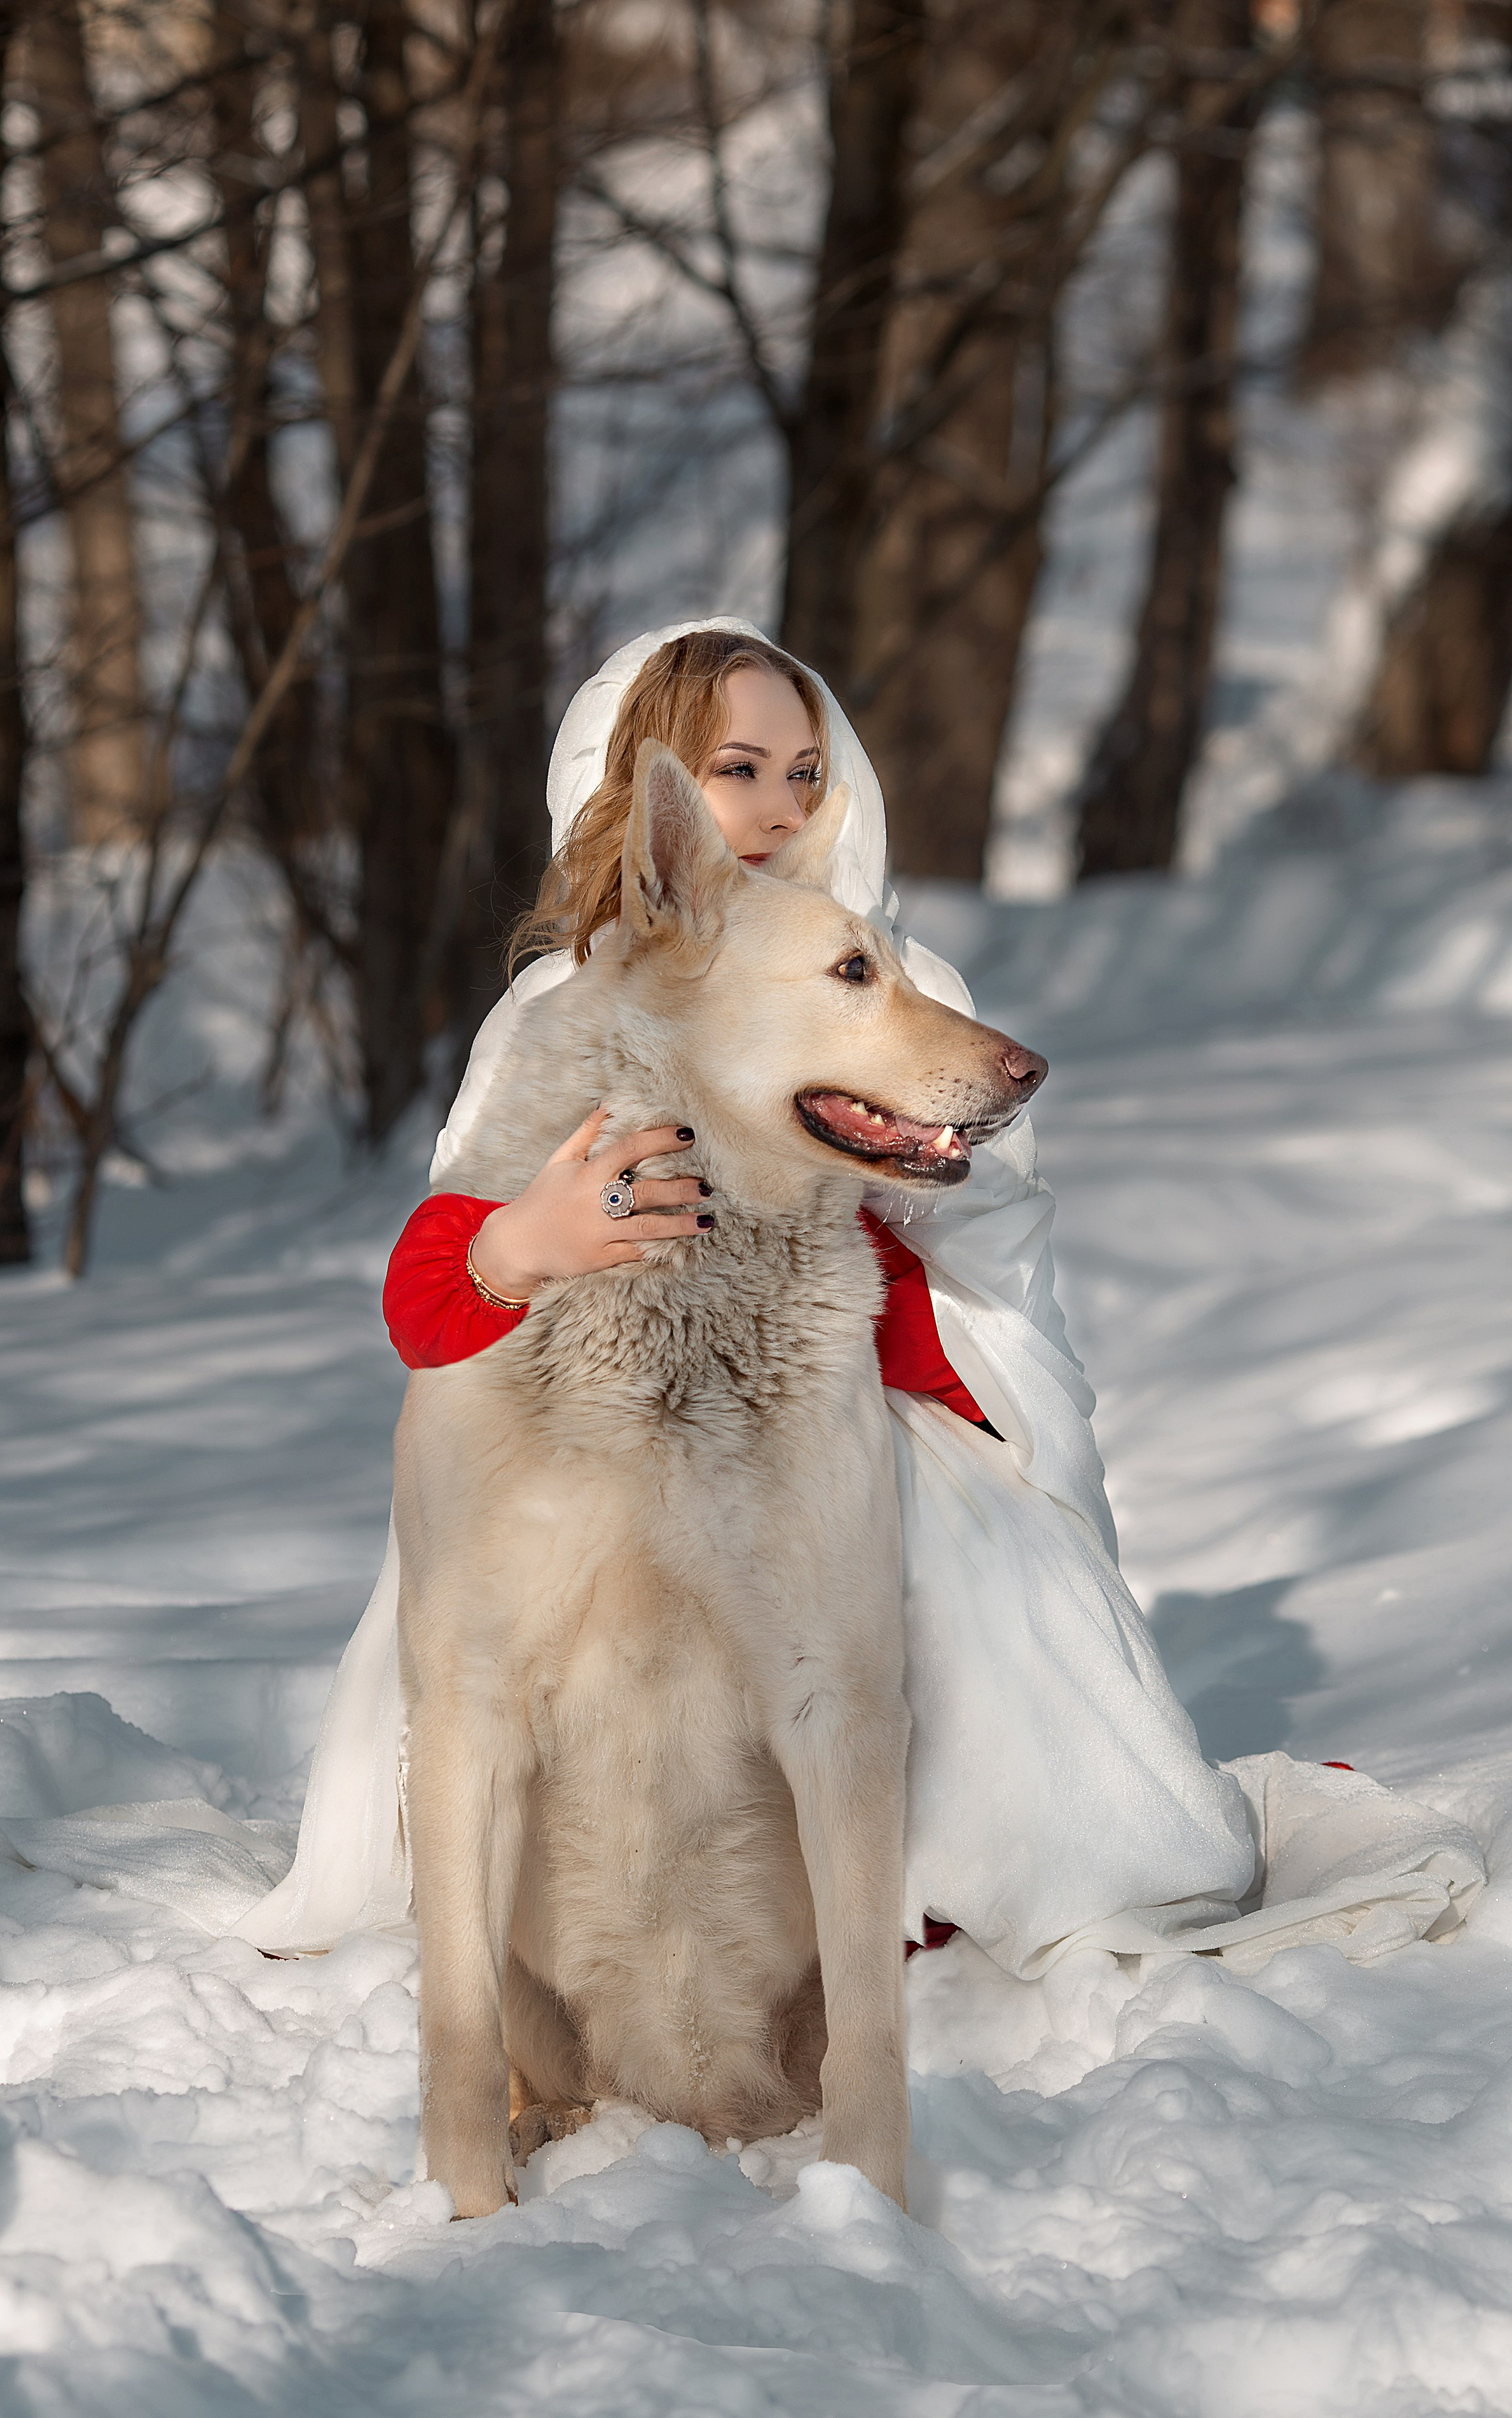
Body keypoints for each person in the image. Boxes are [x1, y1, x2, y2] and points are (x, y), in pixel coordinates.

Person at [236, 619, 1478, 1979]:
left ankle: (939, 1869)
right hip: (592, 1428)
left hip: (843, 1400)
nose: (776, 809)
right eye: (734, 770)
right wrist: (520, 1238)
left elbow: (985, 1251)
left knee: (897, 1532)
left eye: (804, 773)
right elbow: (441, 1298)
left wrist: (895, 1213)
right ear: (634, 792)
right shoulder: (561, 1008)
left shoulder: (890, 981)